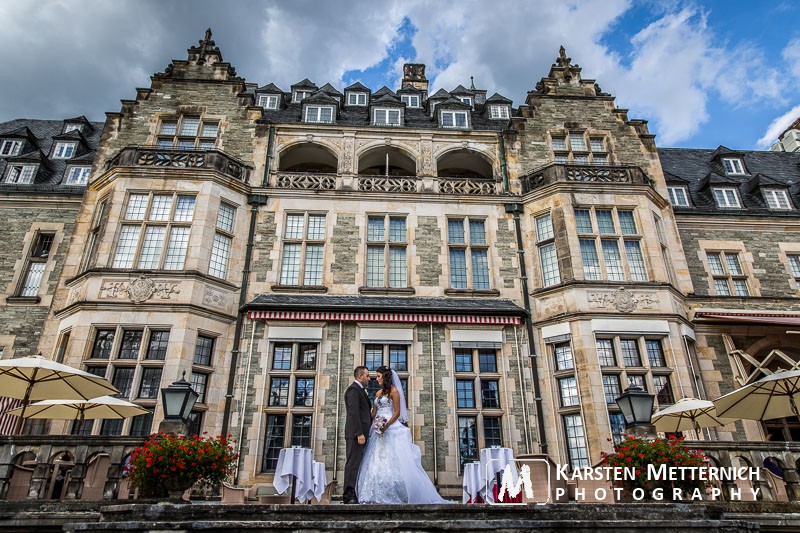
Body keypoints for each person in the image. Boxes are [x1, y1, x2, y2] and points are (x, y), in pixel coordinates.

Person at [357, 366, 450, 504]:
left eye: (378, 376)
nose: (376, 379)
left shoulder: (394, 392)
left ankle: (398, 493)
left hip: (390, 427)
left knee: (394, 459)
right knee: (375, 458)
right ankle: (374, 494)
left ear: (385, 377)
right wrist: (370, 421)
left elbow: (397, 413)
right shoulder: (378, 393)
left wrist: (386, 426)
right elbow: (374, 412)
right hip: (377, 428)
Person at [343, 365, 372, 504]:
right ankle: (348, 495)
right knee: (353, 464)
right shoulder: (353, 390)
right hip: (356, 435)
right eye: (367, 376)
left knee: (358, 464)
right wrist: (359, 433)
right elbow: (353, 413)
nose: (369, 378)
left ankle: (355, 492)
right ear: (360, 376)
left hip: (362, 434)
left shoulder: (360, 390)